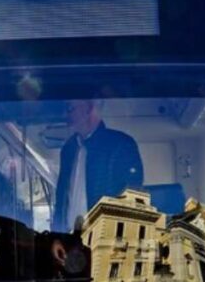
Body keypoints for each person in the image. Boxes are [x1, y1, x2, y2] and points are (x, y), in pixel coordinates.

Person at [52, 99, 144, 236]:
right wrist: (56, 236)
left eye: (70, 108)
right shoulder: (68, 149)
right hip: (70, 240)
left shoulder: (121, 144)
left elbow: (131, 196)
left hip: (104, 239)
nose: (66, 114)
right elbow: (61, 200)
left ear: (88, 108)